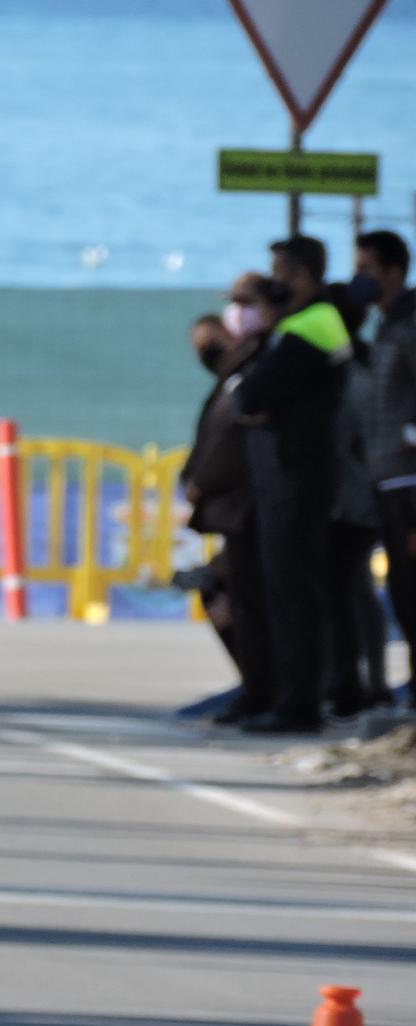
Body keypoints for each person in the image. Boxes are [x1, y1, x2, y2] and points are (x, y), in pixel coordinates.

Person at [233, 236, 353, 733]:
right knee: (285, 589)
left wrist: (255, 402)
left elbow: (254, 393)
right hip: (289, 472)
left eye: (279, 271)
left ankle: (300, 702)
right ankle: (291, 694)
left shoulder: (313, 324)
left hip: (295, 474)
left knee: (293, 590)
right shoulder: (304, 324)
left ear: (301, 275)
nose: (273, 281)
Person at [179, 293, 268, 719]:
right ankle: (255, 683)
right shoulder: (228, 382)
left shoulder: (246, 375)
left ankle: (263, 687)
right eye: (199, 347)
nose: (207, 352)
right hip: (231, 514)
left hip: (246, 510)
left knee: (236, 597)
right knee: (221, 594)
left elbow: (229, 446)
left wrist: (201, 483)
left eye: (211, 341)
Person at [355, 229, 416, 702]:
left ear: (394, 271)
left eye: (368, 269)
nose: (360, 278)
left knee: (412, 586)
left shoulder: (410, 324)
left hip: (408, 479)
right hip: (385, 475)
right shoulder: (386, 324)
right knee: (400, 585)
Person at [323, 284, 389, 717]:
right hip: (358, 498)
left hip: (352, 501)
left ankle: (353, 684)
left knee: (344, 591)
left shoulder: (349, 376)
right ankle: (365, 681)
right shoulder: (362, 362)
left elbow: (352, 442)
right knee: (356, 590)